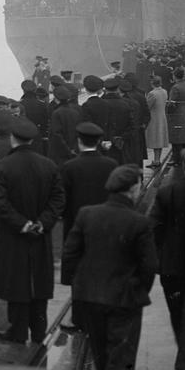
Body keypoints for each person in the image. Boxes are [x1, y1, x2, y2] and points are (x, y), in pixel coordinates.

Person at [63, 165, 158, 370]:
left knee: (100, 351)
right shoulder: (139, 222)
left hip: (90, 297)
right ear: (133, 189)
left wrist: (80, 286)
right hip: (124, 299)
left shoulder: (87, 213)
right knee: (122, 355)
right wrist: (138, 291)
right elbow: (149, 267)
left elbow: (71, 254)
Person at [0, 118, 65, 344]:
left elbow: (0, 203)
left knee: (16, 281)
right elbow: (58, 198)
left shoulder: (3, 166)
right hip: (41, 233)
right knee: (40, 280)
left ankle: (17, 329)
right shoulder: (48, 165)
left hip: (14, 235)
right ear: (33, 139)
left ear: (12, 138)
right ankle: (38, 329)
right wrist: (43, 222)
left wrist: (21, 223)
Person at [148, 148, 185, 370]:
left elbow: (152, 228)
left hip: (170, 266)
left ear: (183, 166)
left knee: (177, 311)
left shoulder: (166, 192)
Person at [58, 122, 117, 330]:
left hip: (77, 226)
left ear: (79, 141)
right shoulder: (111, 164)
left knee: (78, 271)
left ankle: (78, 317)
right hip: (105, 225)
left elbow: (62, 200)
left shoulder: (69, 167)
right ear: (99, 141)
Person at [47, 86, 81, 166]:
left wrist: (67, 150)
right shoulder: (75, 112)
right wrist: (73, 149)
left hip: (60, 153)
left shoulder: (56, 113)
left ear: (56, 98)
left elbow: (57, 135)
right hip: (73, 150)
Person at [168, 68, 185, 165]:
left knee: (176, 137)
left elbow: (171, 103)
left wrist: (168, 112)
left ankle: (176, 159)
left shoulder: (175, 87)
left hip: (177, 113)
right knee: (184, 135)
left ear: (175, 76)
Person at [145, 76, 169, 167]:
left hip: (154, 118)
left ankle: (156, 161)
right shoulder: (164, 91)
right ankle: (157, 160)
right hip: (162, 117)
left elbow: (148, 107)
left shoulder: (152, 93)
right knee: (160, 139)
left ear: (152, 83)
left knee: (155, 139)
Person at [20, 81, 48, 155]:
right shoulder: (42, 105)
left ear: (23, 90)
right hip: (38, 137)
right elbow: (45, 123)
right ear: (35, 90)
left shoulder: (19, 105)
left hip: (23, 138)